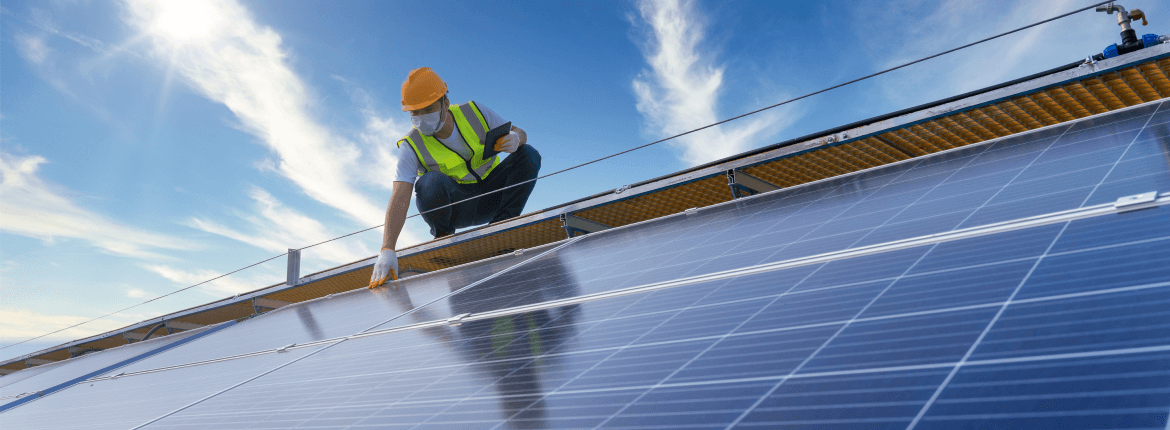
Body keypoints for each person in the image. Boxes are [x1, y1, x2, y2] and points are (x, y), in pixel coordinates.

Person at [369, 67, 541, 288]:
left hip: (495, 196)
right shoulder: (411, 145)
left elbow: (520, 132)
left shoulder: (474, 112)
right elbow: (400, 195)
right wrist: (387, 248)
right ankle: (444, 238)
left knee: (527, 154)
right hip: (459, 207)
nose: (421, 118)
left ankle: (500, 228)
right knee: (428, 182)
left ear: (445, 104)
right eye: (414, 113)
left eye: (427, 109)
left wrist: (517, 137)